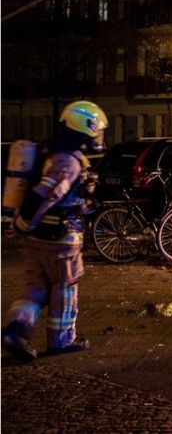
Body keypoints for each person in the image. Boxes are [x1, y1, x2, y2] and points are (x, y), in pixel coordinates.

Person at [1, 101, 107, 362]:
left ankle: (14, 332)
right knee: (64, 289)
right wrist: (24, 224)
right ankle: (62, 340)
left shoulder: (50, 152)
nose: (98, 138)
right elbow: (46, 195)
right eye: (97, 132)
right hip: (60, 241)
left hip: (37, 240)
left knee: (35, 288)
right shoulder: (67, 162)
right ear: (86, 129)